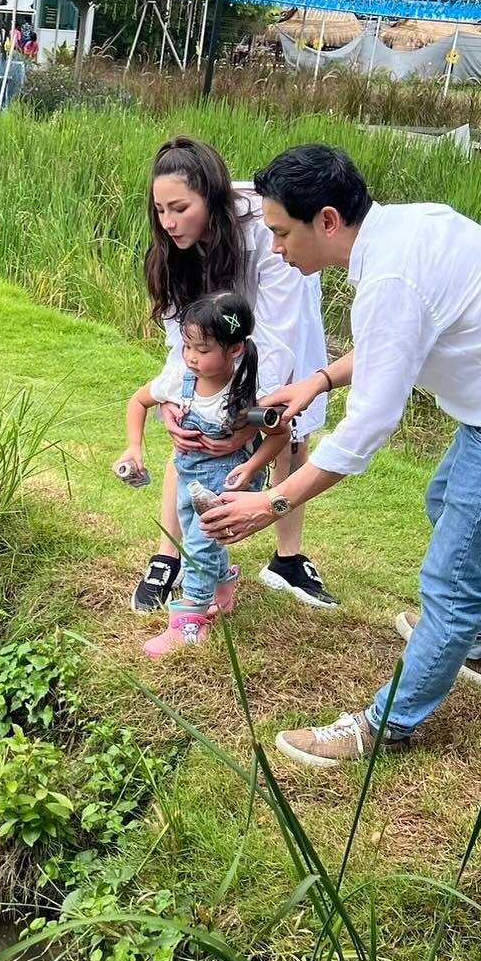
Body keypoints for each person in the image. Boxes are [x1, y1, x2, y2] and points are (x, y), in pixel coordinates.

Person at [201, 143, 481, 767]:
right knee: (444, 500)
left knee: (450, 582)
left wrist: (273, 500)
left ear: (328, 220)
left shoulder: (391, 276)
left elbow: (368, 426)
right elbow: (400, 338)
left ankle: (384, 725)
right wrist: (318, 380)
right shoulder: (408, 229)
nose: (277, 249)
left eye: (283, 233)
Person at [132, 137, 336, 613]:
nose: (168, 221)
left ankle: (287, 560)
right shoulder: (174, 245)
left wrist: (249, 416)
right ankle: (170, 557)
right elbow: (177, 337)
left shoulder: (265, 230)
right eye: (160, 210)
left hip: (275, 332)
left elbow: (278, 333)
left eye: (180, 208)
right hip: (215, 338)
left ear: (211, 195)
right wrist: (171, 399)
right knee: (190, 432)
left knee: (291, 433)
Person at [118, 291, 290, 657]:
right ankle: (222, 586)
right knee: (190, 526)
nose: (192, 357)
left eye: (203, 349)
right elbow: (138, 400)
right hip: (188, 471)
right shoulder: (180, 377)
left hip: (228, 477)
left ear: (234, 350)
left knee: (199, 542)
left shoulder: (249, 390)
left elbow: (280, 436)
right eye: (187, 347)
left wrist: (250, 466)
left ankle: (190, 621)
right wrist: (134, 447)